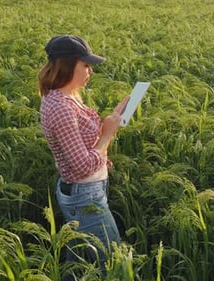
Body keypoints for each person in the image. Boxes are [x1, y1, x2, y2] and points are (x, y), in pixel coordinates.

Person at [38, 35, 129, 279]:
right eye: (85, 65)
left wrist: (111, 121)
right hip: (83, 194)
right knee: (114, 262)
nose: (90, 71)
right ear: (68, 65)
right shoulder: (61, 107)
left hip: (86, 191)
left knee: (78, 262)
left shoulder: (68, 97)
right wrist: (107, 135)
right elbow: (82, 166)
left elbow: (81, 143)